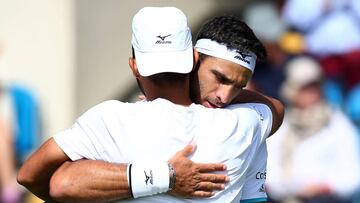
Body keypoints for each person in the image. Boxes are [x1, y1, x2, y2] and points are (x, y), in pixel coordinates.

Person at [18, 8, 284, 203]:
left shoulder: (113, 119)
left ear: (134, 66)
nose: (224, 97)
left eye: (238, 86)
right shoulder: (248, 121)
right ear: (193, 59)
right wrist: (168, 177)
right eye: (220, 79)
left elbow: (48, 180)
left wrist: (161, 177)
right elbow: (275, 108)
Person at [266, 56, 360, 203]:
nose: (311, 92)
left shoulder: (337, 123)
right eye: (305, 88)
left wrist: (324, 187)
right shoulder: (281, 124)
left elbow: (351, 176)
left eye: (315, 86)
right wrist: (295, 188)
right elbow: (269, 174)